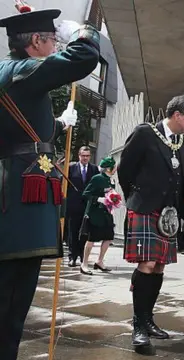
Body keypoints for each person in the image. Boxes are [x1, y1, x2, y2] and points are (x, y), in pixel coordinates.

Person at [0, 5, 99, 359]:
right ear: (35, 43)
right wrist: (83, 33)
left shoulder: (13, 74)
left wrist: (56, 124)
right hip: (15, 204)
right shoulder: (22, 70)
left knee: (15, 300)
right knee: (10, 301)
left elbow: (18, 132)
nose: (57, 45)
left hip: (17, 192)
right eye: (53, 39)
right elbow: (82, 58)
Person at [118, 95, 184, 354]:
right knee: (147, 264)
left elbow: (180, 175)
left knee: (159, 266)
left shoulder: (182, 143)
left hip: (168, 214)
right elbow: (125, 168)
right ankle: (138, 326)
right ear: (177, 115)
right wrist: (135, 196)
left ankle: (148, 319)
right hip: (145, 207)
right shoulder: (145, 133)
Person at [79, 156, 118, 275]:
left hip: (107, 213)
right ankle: (84, 263)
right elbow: (85, 194)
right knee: (91, 239)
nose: (115, 169)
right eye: (114, 167)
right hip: (95, 213)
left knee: (108, 237)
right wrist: (98, 199)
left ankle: (100, 261)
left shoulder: (111, 180)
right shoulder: (97, 178)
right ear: (108, 168)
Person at [65, 146, 99, 267]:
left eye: (87, 156)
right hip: (74, 205)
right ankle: (72, 256)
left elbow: (97, 186)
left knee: (85, 232)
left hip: (88, 206)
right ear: (79, 156)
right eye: (83, 156)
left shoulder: (94, 169)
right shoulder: (70, 168)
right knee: (73, 231)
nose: (85, 158)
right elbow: (65, 186)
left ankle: (82, 256)